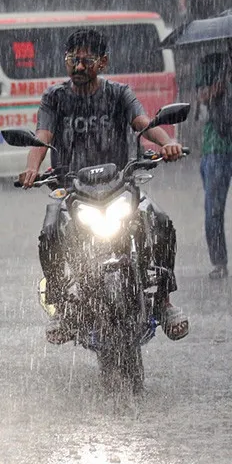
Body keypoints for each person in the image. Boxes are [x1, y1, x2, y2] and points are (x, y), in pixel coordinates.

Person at [18, 28, 189, 343]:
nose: (79, 67)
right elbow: (42, 136)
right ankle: (61, 307)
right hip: (72, 189)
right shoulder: (54, 98)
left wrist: (168, 144)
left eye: (86, 60)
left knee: (162, 223)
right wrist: (32, 169)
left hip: (120, 186)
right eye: (73, 60)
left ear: (103, 62)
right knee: (50, 233)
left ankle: (164, 302)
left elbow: (145, 126)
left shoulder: (119, 94)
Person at [197, 50, 232, 280]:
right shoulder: (212, 62)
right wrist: (220, 86)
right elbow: (201, 95)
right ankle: (219, 262)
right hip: (217, 145)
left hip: (218, 149)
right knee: (214, 210)